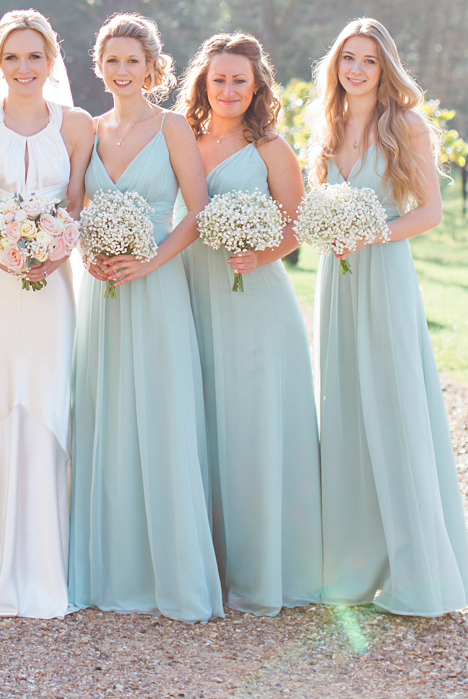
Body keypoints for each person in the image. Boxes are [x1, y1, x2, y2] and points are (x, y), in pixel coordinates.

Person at [308, 17, 468, 615]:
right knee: (346, 409)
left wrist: (369, 233)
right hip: (337, 276)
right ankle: (351, 571)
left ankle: (420, 574)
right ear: (335, 64)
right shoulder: (326, 125)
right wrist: (329, 229)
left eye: (369, 60)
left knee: (394, 408)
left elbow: (429, 212)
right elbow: (315, 201)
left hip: (382, 276)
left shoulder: (403, 125)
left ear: (385, 69)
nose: (355, 69)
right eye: (347, 57)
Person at [69, 13, 223, 622]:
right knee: (106, 411)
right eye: (113, 60)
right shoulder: (88, 129)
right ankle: (111, 568)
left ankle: (172, 575)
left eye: (134, 60)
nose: (123, 70)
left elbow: (197, 210)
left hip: (156, 288)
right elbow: (73, 205)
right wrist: (89, 248)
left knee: (159, 412)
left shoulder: (173, 127)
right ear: (99, 66)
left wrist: (150, 261)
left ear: (153, 67)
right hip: (101, 289)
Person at [0, 9, 93, 617]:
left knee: (49, 400)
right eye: (12, 56)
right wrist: (6, 254)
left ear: (52, 61)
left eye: (35, 56)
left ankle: (48, 561)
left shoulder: (78, 125)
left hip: (54, 285)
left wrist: (52, 250)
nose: (24, 67)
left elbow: (80, 206)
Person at [176, 32, 321, 615]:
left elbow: (299, 222)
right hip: (190, 291)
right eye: (219, 79)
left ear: (257, 85)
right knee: (201, 420)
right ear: (204, 84)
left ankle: (261, 569)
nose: (229, 89)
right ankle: (203, 562)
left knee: (252, 423)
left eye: (240, 79)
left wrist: (258, 253)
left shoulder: (270, 149)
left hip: (253, 299)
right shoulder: (180, 138)